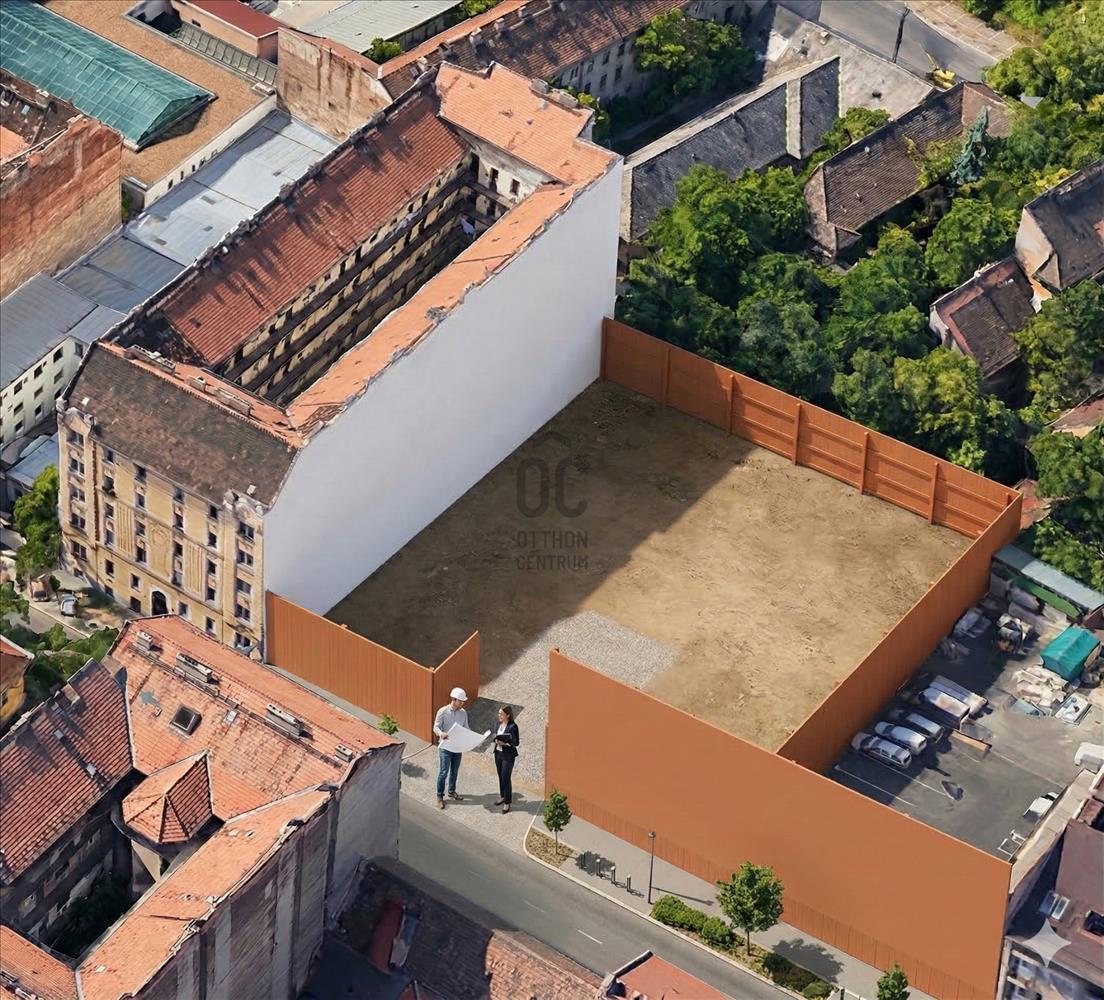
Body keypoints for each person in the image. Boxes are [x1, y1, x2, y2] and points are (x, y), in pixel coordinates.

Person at [433, 687, 468, 809]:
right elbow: (435, 727)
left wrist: (474, 738)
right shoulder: (442, 711)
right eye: (461, 701)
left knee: (454, 771)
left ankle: (452, 791)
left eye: (463, 701)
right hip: (446, 747)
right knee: (443, 772)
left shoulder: (463, 713)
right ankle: (439, 797)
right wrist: (441, 733)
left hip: (457, 747)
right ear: (454, 699)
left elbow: (466, 728)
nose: (462, 703)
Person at [493, 705, 520, 813]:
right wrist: (495, 740)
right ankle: (503, 796)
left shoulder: (513, 726)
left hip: (508, 755)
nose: (499, 715)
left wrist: (505, 743)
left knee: (506, 778)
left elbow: (516, 742)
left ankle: (507, 802)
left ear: (508, 715)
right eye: (499, 713)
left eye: (501, 714)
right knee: (500, 776)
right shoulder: (498, 724)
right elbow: (495, 735)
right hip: (498, 753)